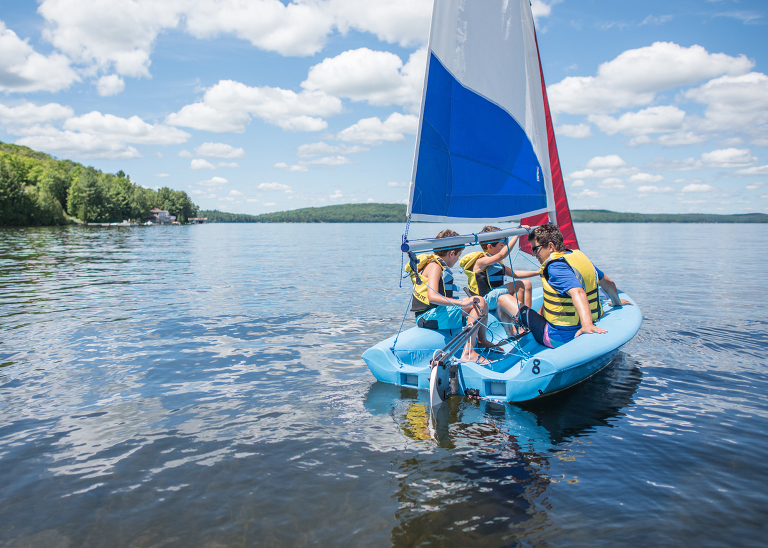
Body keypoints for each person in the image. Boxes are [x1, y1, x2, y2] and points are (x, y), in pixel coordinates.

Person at [510, 224, 633, 348]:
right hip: (591, 319)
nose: (534, 254)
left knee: (502, 298)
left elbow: (578, 292)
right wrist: (616, 302)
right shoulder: (579, 258)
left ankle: (509, 333)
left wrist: (587, 325)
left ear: (551, 246)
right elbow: (609, 283)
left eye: (536, 249)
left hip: (558, 337)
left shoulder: (555, 267)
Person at [406, 229, 496, 362]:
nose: (458, 259)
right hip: (427, 317)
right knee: (480, 302)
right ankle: (469, 353)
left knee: (478, 302)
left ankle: (481, 341)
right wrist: (463, 303)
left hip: (435, 314)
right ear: (452, 253)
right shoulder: (435, 266)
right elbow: (432, 297)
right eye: (459, 255)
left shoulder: (437, 265)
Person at [458, 226, 538, 336]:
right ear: (490, 246)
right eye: (502, 244)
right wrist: (517, 235)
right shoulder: (481, 261)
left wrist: (538, 272)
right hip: (485, 300)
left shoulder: (497, 263)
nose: (505, 246)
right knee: (518, 285)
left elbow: (515, 274)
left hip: (495, 297)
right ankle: (519, 324)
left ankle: (527, 320)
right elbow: (502, 255)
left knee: (527, 284)